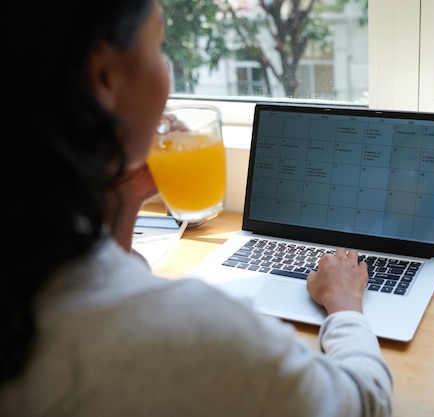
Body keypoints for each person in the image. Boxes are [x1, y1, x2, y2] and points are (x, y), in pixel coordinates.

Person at [0, 1, 393, 416]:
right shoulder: (204, 335)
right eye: (159, 45)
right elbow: (366, 402)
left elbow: (99, 281)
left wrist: (123, 200)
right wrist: (345, 303)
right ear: (104, 77)